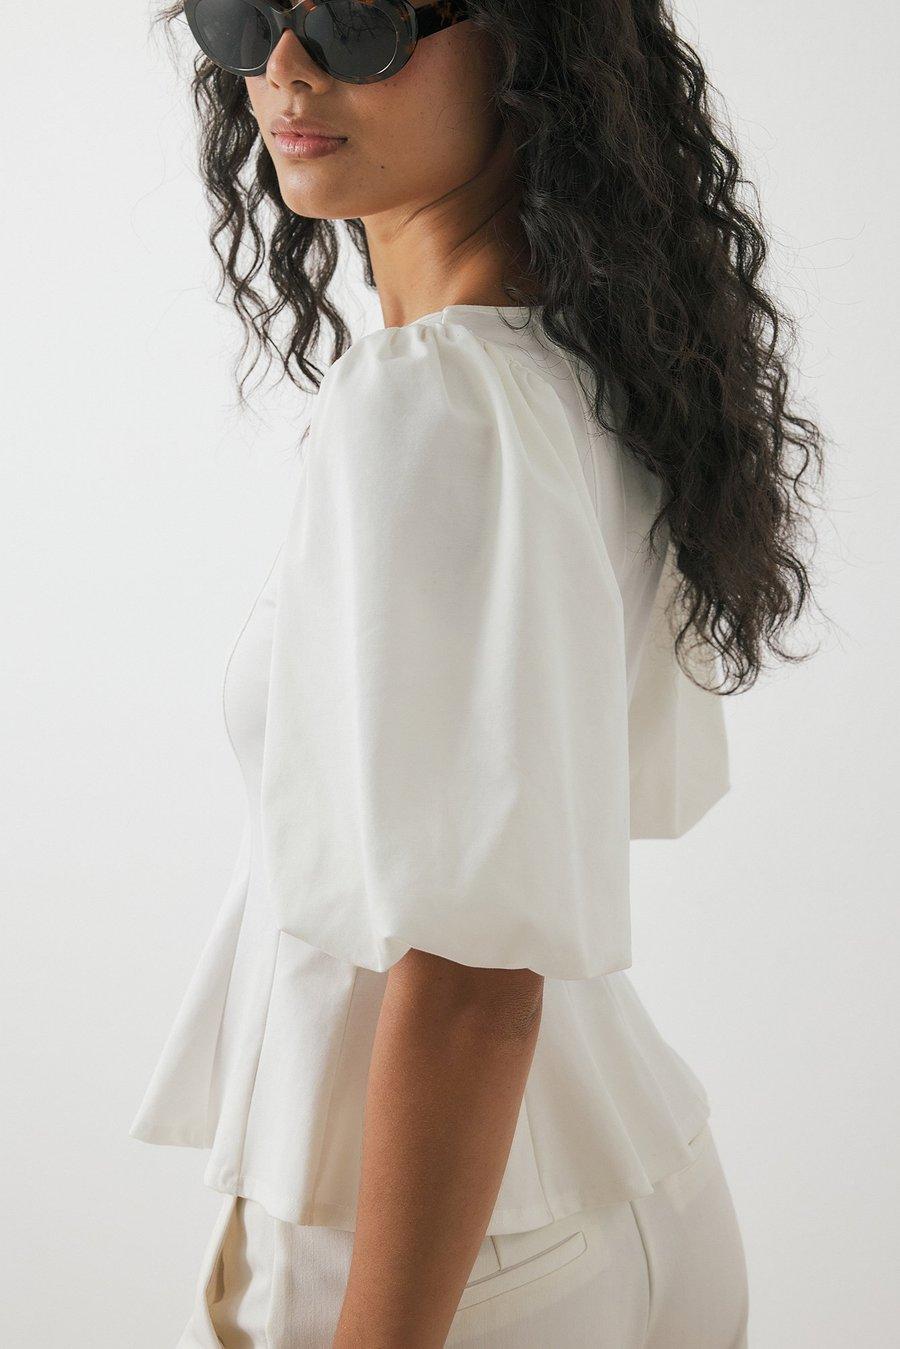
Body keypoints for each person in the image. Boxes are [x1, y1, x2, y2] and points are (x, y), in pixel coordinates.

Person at [131, 0, 823, 1343]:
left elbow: (469, 981)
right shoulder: (582, 367)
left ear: (527, 42)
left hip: (443, 1263)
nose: (287, 67)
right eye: (248, 14)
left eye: (359, 20)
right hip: (630, 1185)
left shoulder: (433, 398)